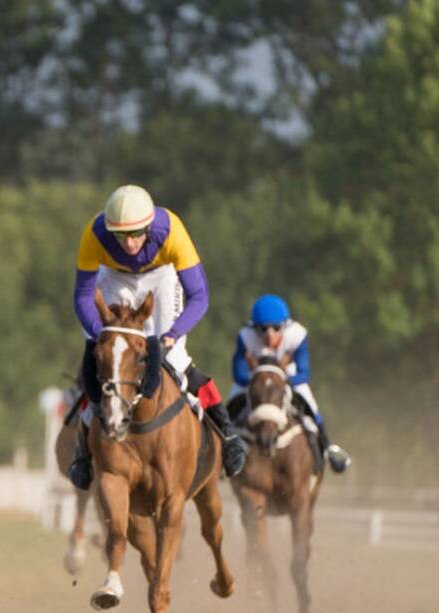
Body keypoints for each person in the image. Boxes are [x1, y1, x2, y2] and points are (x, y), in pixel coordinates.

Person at [68, 184, 248, 489]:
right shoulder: (94, 233)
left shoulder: (172, 230)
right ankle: (83, 451)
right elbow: (83, 296)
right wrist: (105, 337)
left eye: (137, 233)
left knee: (177, 359)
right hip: (114, 277)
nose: (129, 243)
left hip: (161, 277)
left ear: (149, 226)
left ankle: (228, 435)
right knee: (106, 361)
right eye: (121, 235)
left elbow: (199, 296)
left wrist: (172, 335)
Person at [229, 294, 351, 473]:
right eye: (263, 329)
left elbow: (304, 373)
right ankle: (224, 453)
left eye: (276, 328)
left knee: (311, 408)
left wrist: (282, 383)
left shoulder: (297, 334)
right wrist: (260, 383)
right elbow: (238, 374)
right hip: (253, 380)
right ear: (255, 327)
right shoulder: (245, 336)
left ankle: (326, 450)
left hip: (289, 379)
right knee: (229, 410)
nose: (269, 335)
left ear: (285, 326)